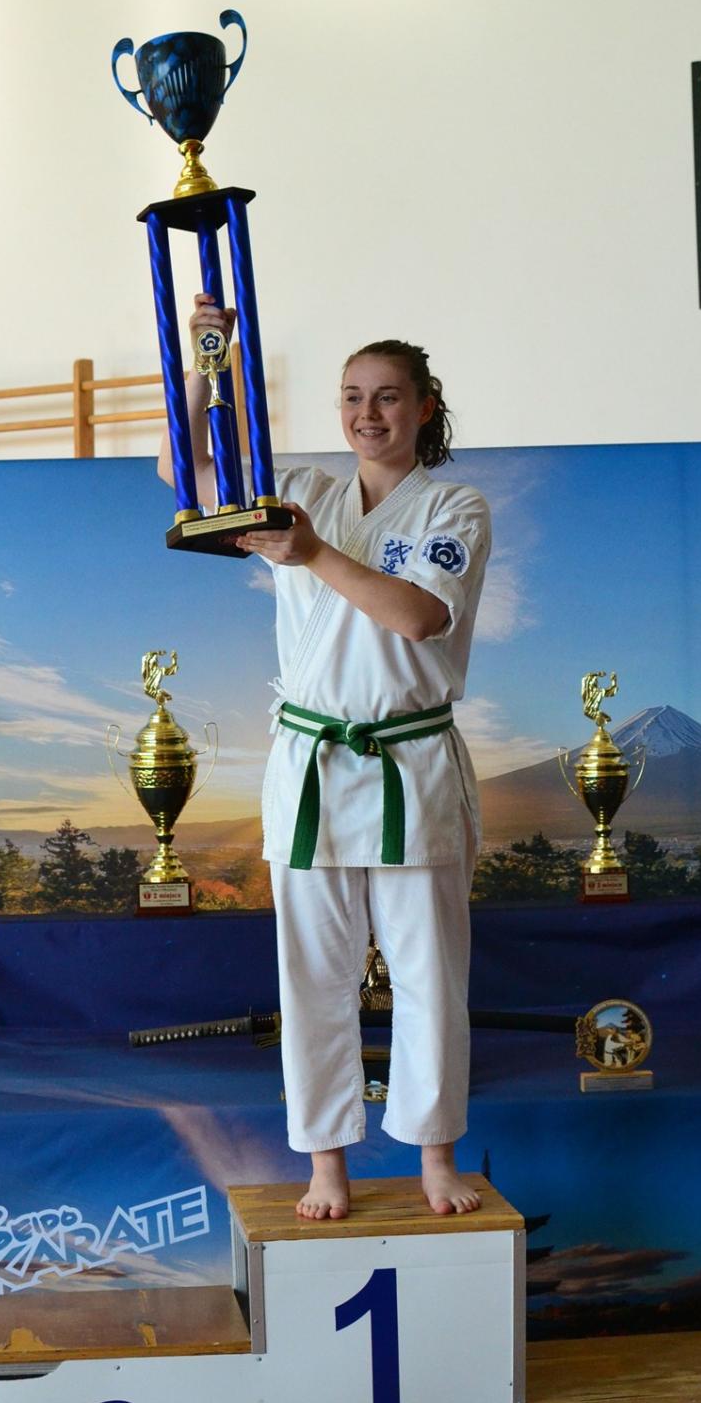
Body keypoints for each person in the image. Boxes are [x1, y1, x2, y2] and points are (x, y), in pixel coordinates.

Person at [159, 295, 489, 1222]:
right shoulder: (302, 489)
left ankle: (434, 1157)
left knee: (429, 975)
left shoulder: (455, 506)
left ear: (424, 406)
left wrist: (308, 553)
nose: (367, 413)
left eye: (387, 396)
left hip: (409, 760)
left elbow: (418, 616)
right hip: (310, 761)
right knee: (312, 977)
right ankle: (326, 1164)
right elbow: (183, 470)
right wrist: (207, 361)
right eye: (352, 396)